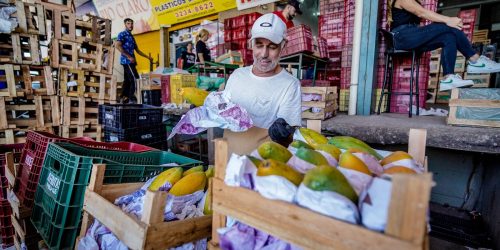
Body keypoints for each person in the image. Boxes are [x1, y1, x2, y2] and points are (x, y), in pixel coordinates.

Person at [223, 13, 301, 146]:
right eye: (259, 45)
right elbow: (222, 112)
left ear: (283, 46)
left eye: (272, 47)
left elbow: (288, 137)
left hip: (265, 163)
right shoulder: (237, 75)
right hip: (229, 159)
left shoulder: (290, 85)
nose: (264, 54)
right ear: (250, 44)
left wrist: (284, 134)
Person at [388, 0, 500, 92]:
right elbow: (421, 13)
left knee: (448, 36)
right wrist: (449, 20)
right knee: (448, 25)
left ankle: (449, 78)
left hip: (412, 37)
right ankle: (475, 60)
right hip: (401, 37)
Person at [115, 18, 152, 103]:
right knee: (135, 78)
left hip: (131, 62)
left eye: (132, 23)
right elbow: (117, 46)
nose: (130, 25)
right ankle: (132, 98)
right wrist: (129, 57)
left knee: (127, 80)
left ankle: (123, 97)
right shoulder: (122, 34)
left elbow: (137, 50)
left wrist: (147, 57)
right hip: (127, 61)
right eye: (128, 23)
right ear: (125, 24)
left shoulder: (131, 37)